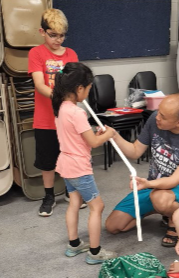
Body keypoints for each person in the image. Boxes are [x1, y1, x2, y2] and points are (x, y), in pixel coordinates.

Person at [105, 93, 179, 246]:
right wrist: (114, 136)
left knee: (160, 199)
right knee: (113, 226)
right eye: (159, 111)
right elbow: (135, 151)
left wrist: (147, 184)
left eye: (164, 117)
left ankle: (174, 220)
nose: (157, 118)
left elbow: (175, 180)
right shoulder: (155, 119)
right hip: (154, 186)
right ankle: (159, 210)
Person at [52, 62, 118, 264]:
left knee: (74, 203)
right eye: (89, 89)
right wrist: (109, 134)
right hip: (79, 168)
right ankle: (95, 252)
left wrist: (94, 133)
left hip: (65, 164)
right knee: (97, 207)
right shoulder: (77, 112)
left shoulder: (62, 108)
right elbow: (94, 142)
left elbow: (79, 136)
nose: (88, 93)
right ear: (79, 88)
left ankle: (74, 245)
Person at [28, 8, 85, 217]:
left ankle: (71, 192)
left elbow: (77, 83)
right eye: (53, 35)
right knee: (47, 160)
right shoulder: (36, 53)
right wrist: (60, 97)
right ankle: (49, 196)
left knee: (70, 156)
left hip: (68, 119)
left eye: (62, 35)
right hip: (45, 119)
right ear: (42, 32)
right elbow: (39, 84)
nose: (58, 39)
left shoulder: (71, 54)